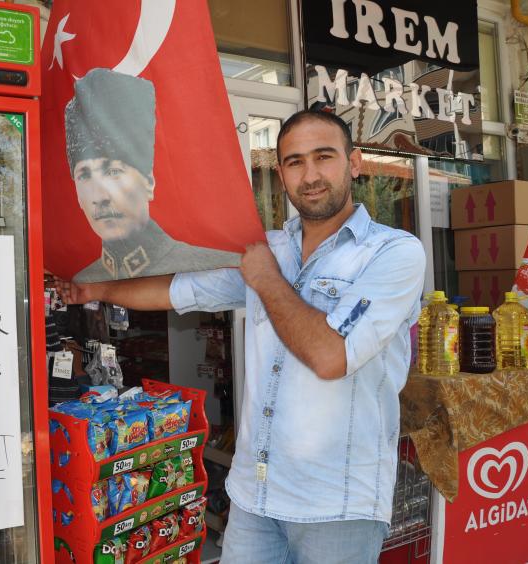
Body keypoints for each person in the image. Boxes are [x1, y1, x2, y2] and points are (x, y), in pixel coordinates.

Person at [58, 109, 426, 563]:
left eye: (324, 157)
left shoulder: (394, 253)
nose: (310, 175)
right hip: (256, 496)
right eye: (294, 162)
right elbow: (178, 289)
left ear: (354, 163)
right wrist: (93, 287)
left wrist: (267, 279)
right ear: (281, 174)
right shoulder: (268, 248)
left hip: (338, 504)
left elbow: (332, 356)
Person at [65, 68, 240, 282]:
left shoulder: (216, 266)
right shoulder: (85, 279)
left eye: (113, 171)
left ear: (149, 181)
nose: (99, 196)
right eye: (84, 175)